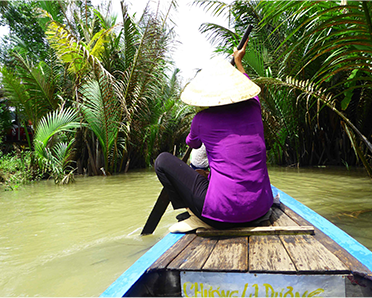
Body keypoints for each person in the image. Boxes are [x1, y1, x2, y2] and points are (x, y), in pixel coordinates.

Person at [155, 39, 273, 232]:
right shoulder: (254, 107)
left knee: (162, 161)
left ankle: (189, 213)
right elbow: (248, 84)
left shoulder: (202, 119)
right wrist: (239, 61)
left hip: (222, 215)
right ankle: (197, 212)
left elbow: (192, 143)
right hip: (261, 209)